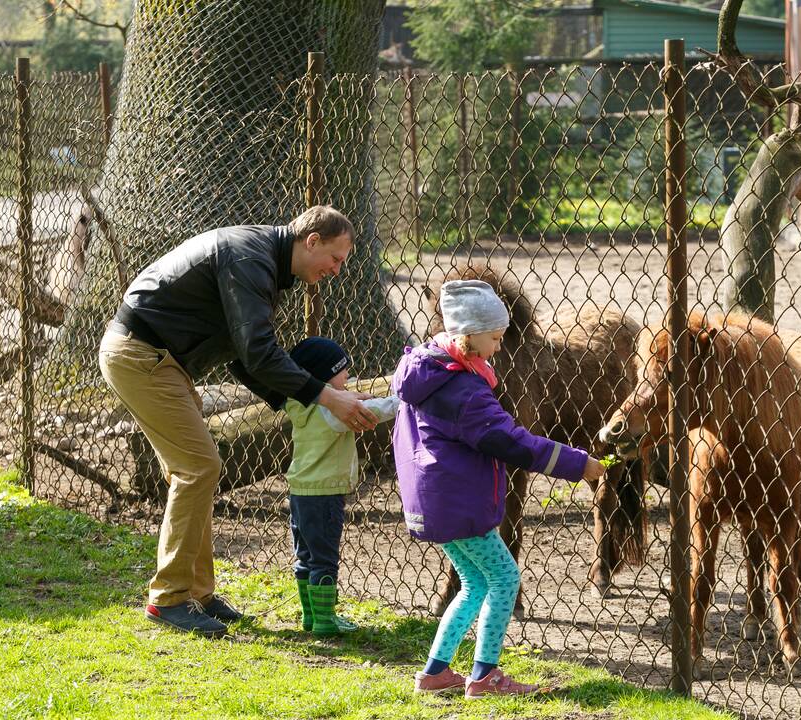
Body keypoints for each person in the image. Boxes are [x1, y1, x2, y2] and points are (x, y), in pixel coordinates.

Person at [98, 205, 380, 639]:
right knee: (199, 468)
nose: (337, 270)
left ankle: (198, 593)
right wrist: (328, 397)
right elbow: (257, 352)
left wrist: (301, 404)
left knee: (194, 471)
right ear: (312, 242)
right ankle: (168, 599)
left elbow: (241, 357)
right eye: (336, 259)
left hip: (160, 361)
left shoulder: (262, 260)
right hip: (143, 357)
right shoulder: (253, 259)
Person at [391, 279, 607, 698]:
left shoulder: (426, 374)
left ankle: (436, 673)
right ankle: (485, 676)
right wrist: (579, 464)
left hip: (436, 503)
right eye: (494, 338)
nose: (500, 347)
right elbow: (512, 440)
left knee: (474, 584)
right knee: (505, 578)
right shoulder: (466, 391)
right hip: (463, 504)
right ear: (468, 335)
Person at [279, 337, 397, 637]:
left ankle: (311, 616)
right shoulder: (331, 412)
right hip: (324, 494)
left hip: (300, 492)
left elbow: (341, 396)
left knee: (306, 557)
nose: (349, 376)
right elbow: (372, 413)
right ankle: (326, 619)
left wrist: (347, 392)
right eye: (343, 371)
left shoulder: (301, 403)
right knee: (325, 560)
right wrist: (401, 401)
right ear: (323, 376)